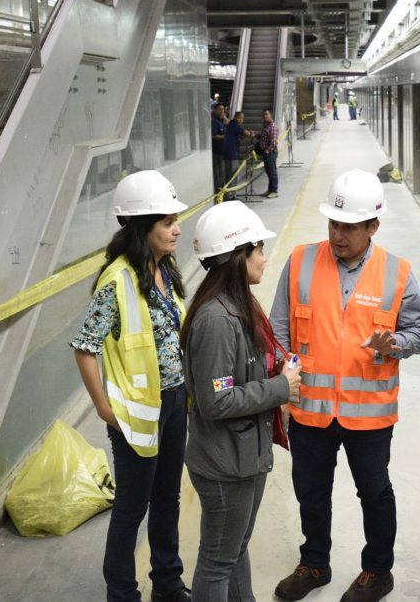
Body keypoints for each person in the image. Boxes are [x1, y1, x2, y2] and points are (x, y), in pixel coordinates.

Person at [269, 169, 420, 602]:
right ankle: (314, 563)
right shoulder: (301, 261)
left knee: (375, 493)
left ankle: (378, 571)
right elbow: (279, 330)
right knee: (311, 492)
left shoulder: (397, 274)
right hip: (311, 409)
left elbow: (419, 332)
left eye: (349, 227)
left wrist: (394, 343)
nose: (338, 235)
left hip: (369, 414)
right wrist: (281, 391)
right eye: (333, 224)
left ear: (373, 226)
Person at [71, 170, 193, 602]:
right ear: (143, 228)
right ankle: (122, 594)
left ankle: (167, 582)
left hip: (175, 402)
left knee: (168, 500)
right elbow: (86, 347)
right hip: (136, 413)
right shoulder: (117, 280)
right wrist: (106, 410)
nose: (177, 228)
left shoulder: (165, 269)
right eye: (167, 223)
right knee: (131, 510)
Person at [181, 200, 303, 602]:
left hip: (243, 453)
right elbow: (215, 400)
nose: (265, 258)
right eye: (258, 250)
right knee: (218, 562)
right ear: (238, 255)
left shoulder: (239, 306)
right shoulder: (217, 320)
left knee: (234, 552)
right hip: (224, 464)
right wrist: (279, 387)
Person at [220, 111, 253, 201]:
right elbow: (246, 133)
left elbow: (241, 137)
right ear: (235, 117)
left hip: (228, 152)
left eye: (242, 118)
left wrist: (247, 134)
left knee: (229, 175)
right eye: (239, 118)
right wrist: (252, 134)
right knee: (233, 175)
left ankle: (228, 195)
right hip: (231, 154)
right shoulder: (234, 124)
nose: (241, 120)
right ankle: (230, 196)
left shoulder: (233, 125)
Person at [257, 109, 279, 199]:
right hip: (265, 152)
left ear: (271, 115)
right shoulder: (265, 126)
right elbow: (263, 138)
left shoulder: (272, 126)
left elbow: (273, 142)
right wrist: (255, 135)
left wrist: (268, 150)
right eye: (264, 114)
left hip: (270, 152)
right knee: (268, 171)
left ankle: (274, 191)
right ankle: (270, 190)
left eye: (267, 114)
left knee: (272, 171)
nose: (265, 116)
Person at [212, 105, 228, 195]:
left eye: (223, 109)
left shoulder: (223, 121)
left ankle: (222, 188)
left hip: (223, 151)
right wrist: (225, 137)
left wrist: (225, 118)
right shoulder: (215, 122)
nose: (222, 111)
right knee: (218, 171)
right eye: (220, 109)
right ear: (215, 110)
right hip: (217, 152)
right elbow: (214, 136)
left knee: (223, 171)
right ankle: (218, 189)